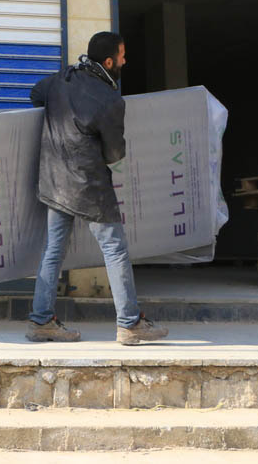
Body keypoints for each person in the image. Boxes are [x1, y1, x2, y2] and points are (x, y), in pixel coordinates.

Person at [27, 31, 168, 345]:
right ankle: (130, 324)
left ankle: (41, 321)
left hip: (54, 181)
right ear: (108, 61)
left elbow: (35, 95)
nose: (124, 60)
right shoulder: (109, 100)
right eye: (122, 55)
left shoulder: (59, 81)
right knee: (115, 251)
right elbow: (114, 154)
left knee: (53, 251)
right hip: (89, 186)